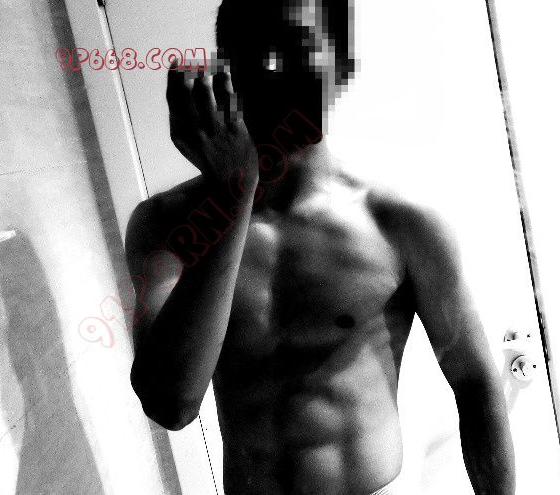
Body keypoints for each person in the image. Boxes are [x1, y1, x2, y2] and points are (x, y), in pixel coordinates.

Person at [126, 0, 515, 493]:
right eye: (260, 54)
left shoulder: (400, 221)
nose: (281, 72)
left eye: (301, 49)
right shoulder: (165, 225)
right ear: (228, 71)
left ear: (338, 65)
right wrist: (235, 191)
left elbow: (474, 382)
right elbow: (171, 404)